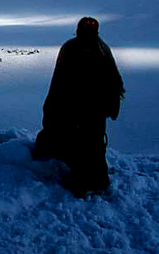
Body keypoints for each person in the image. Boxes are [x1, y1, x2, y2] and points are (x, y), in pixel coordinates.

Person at [34, 17, 125, 196]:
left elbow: (113, 80)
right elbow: (59, 82)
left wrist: (112, 104)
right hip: (75, 107)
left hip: (90, 108)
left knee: (90, 144)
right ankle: (90, 180)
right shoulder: (90, 49)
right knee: (84, 143)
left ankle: (91, 181)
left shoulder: (97, 50)